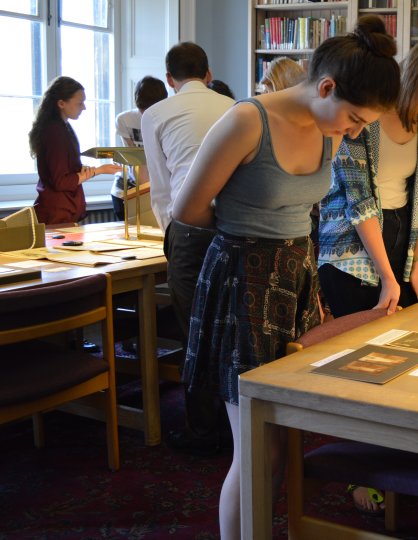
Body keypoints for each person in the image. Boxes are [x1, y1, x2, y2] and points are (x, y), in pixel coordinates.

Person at [172, 16, 401, 539]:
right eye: (355, 117)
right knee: (255, 446)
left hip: (294, 278)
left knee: (280, 437)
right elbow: (189, 209)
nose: (356, 130)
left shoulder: (328, 129)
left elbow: (310, 215)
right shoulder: (246, 121)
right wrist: (243, 238)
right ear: (326, 88)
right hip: (242, 282)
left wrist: (305, 281)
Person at [316, 21, 418, 319]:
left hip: (401, 237)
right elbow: (359, 200)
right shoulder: (368, 107)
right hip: (352, 248)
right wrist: (387, 277)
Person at [141, 42, 236, 456]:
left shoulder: (155, 113)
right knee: (231, 325)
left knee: (193, 327)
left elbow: (161, 189)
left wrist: (172, 234)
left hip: (188, 230)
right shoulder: (233, 107)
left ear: (169, 79)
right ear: (209, 72)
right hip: (234, 227)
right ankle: (235, 424)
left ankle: (201, 429)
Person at [29, 76, 121, 224]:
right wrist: (99, 170)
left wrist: (85, 170)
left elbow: (64, 170)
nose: (84, 107)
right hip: (57, 213)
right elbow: (60, 181)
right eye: (79, 103)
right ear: (61, 103)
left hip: (63, 211)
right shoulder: (55, 132)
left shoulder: (63, 127)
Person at [112, 76, 168, 221]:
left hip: (156, 189)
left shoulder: (167, 120)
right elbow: (134, 158)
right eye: (142, 109)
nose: (145, 114)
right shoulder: (124, 120)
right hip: (127, 188)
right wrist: (145, 188)